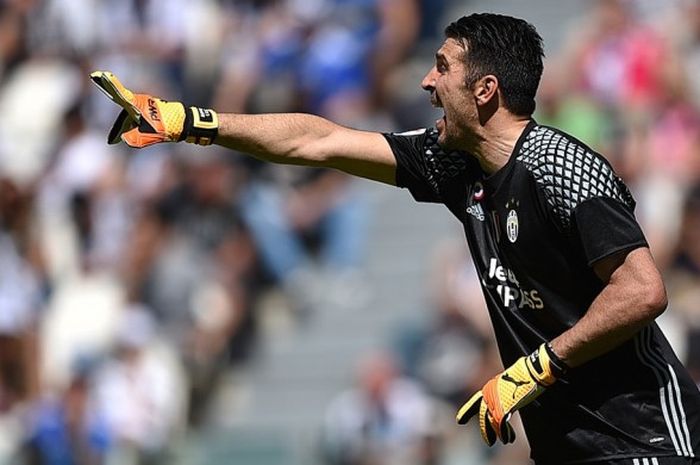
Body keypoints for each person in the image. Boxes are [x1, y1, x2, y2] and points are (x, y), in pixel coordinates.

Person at [90, 12, 700, 465]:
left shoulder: (560, 166)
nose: (427, 83)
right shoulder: (455, 164)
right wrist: (188, 122)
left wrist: (536, 368)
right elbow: (319, 141)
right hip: (565, 444)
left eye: (443, 67)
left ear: (484, 90)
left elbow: (644, 290)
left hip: (644, 437)